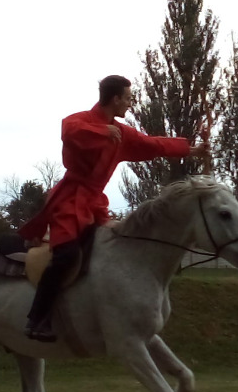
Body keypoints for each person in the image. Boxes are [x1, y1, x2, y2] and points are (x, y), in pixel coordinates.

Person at [18, 74, 211, 341]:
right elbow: (68, 130)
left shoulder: (121, 133)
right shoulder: (83, 120)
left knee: (112, 249)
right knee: (66, 255)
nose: (130, 104)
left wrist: (191, 150)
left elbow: (153, 144)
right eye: (128, 98)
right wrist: (101, 131)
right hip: (69, 201)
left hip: (95, 203)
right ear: (115, 98)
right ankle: (36, 319)